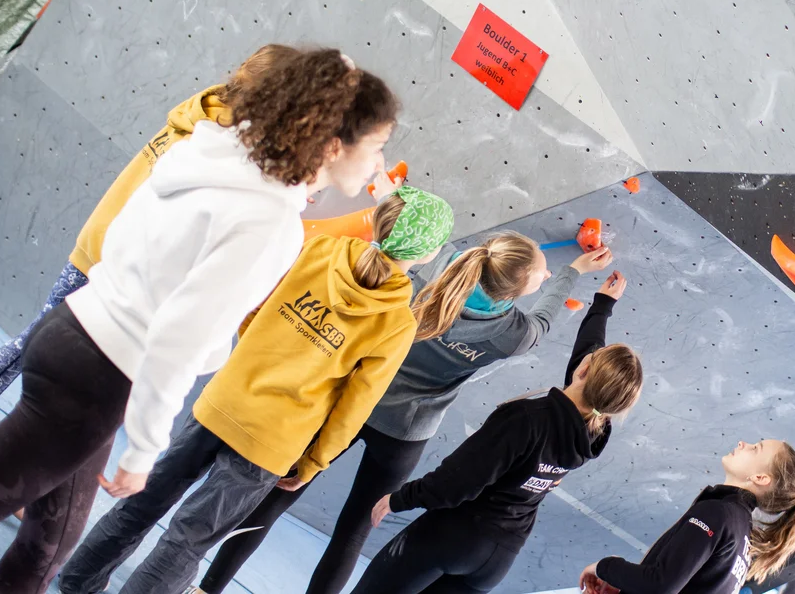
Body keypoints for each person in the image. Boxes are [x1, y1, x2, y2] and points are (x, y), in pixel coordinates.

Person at [0, 47, 399, 594]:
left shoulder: (215, 156)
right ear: (335, 144)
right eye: (378, 146)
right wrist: (145, 448)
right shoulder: (266, 219)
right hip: (99, 374)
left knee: (48, 546)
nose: (380, 167)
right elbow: (179, 337)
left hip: (75, 337)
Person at [58, 187, 455, 594]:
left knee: (143, 503)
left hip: (224, 400)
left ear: (379, 222)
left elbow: (253, 308)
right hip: (272, 442)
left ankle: (75, 582)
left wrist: (252, 358)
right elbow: (355, 405)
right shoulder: (396, 322)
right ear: (426, 252)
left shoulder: (320, 250)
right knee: (188, 541)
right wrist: (315, 461)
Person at [198, 235, 615, 594]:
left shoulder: (431, 284)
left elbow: (441, 255)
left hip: (352, 406)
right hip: (405, 434)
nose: (543, 276)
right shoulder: (514, 335)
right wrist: (572, 271)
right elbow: (543, 319)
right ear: (517, 291)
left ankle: (207, 587)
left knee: (277, 496)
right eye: (538, 274)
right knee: (351, 532)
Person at [0, 43, 301, 428]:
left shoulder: (205, 110)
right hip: (111, 252)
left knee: (42, 355)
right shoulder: (218, 138)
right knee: (30, 350)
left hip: (111, 242)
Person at [350, 270, 641, 593]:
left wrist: (400, 499)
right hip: (497, 558)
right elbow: (589, 367)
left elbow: (456, 481)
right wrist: (602, 306)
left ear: (584, 370)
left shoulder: (526, 419)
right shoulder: (592, 431)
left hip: (452, 537)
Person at [579, 439, 795, 594]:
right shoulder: (740, 531)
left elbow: (662, 584)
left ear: (760, 478)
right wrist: (625, 585)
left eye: (755, 448)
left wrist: (604, 567)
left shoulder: (719, 514)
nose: (744, 443)